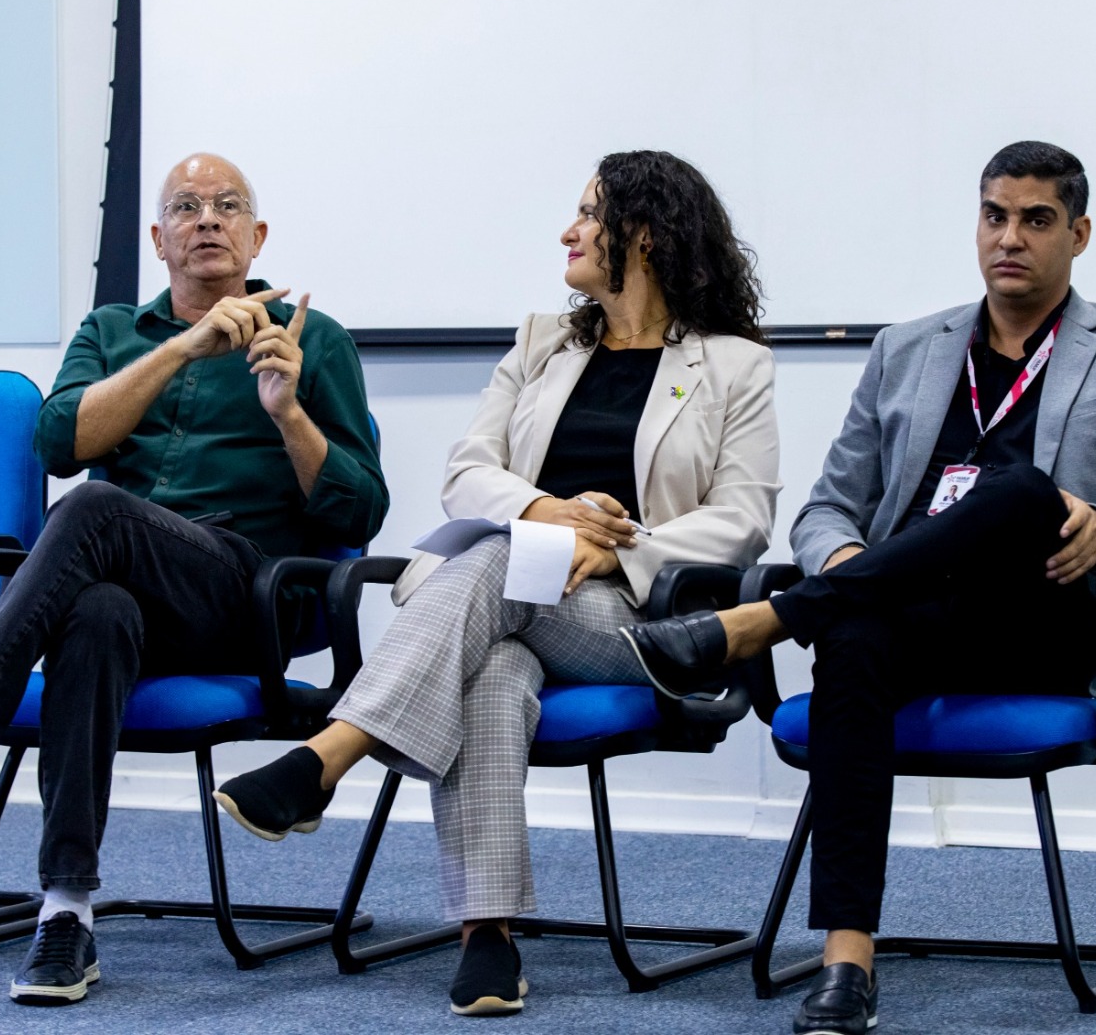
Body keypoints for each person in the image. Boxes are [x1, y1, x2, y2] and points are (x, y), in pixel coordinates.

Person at [620, 141, 1096, 1035]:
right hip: (907, 615)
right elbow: (826, 509)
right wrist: (843, 560)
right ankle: (847, 959)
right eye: (994, 216)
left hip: (1043, 623)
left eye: (1036, 220)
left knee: (1022, 494)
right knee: (856, 634)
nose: (1010, 238)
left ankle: (765, 621)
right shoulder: (907, 348)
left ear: (1078, 234)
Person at [0, 153, 387, 1005]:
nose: (208, 219)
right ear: (158, 239)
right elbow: (58, 443)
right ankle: (65, 912)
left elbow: (360, 509)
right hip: (136, 600)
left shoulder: (312, 337)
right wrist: (182, 348)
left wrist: (287, 411)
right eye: (186, 207)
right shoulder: (112, 332)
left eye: (228, 206)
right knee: (98, 612)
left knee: (93, 510)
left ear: (258, 236)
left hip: (246, 595)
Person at [212, 150, 781, 1016]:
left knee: (494, 563)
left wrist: (619, 547)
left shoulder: (733, 364)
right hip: (514, 604)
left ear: (645, 233)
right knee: (496, 664)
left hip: (644, 623)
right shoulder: (543, 342)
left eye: (588, 214)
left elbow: (743, 518)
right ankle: (487, 935)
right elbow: (468, 472)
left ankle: (328, 756)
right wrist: (551, 513)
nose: (568, 231)